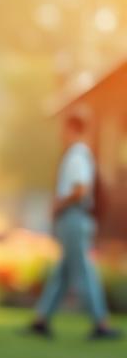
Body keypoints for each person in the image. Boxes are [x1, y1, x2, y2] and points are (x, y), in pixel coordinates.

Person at [27, 114, 120, 340]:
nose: (61, 135)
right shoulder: (77, 155)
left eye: (64, 130)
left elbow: (80, 190)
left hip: (74, 217)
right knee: (64, 272)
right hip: (74, 218)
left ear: (72, 129)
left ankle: (101, 322)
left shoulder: (77, 155)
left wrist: (58, 203)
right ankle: (41, 319)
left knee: (83, 271)